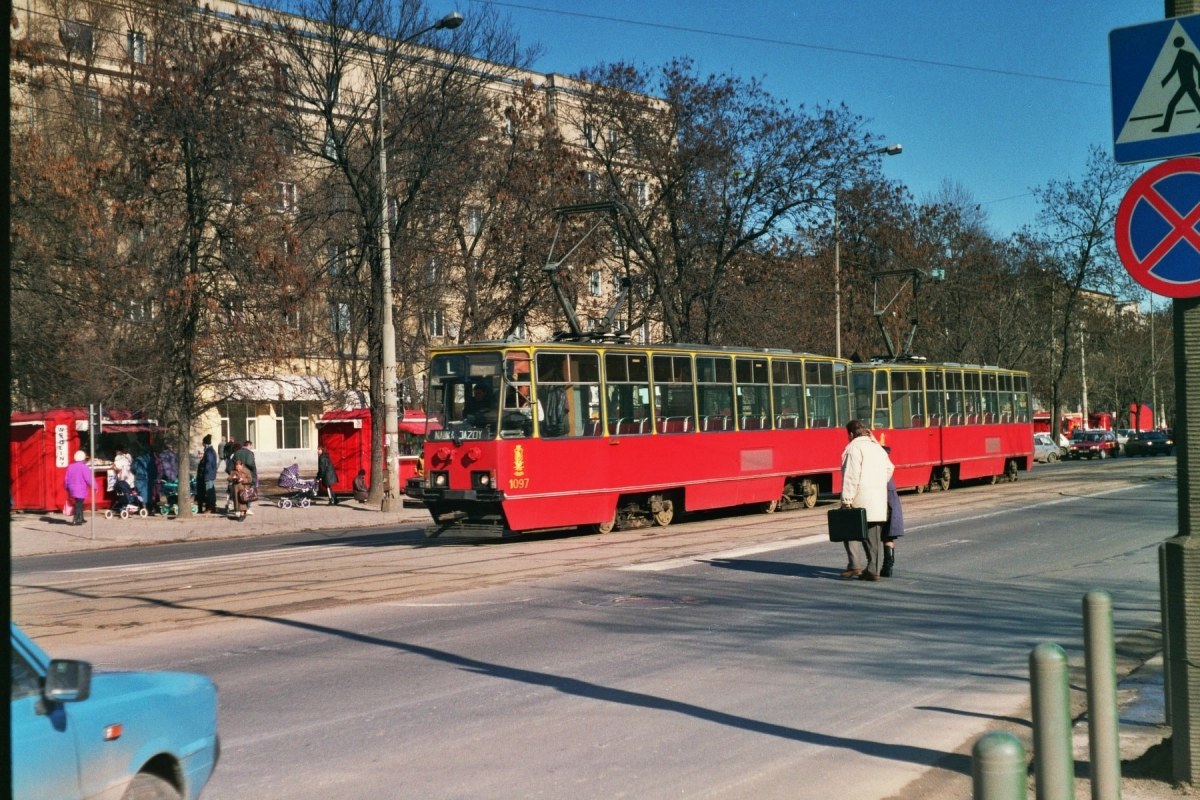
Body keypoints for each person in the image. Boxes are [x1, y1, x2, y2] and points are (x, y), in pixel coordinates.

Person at [839, 420, 894, 582]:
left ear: (850, 434)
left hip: (859, 497)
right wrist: (878, 482)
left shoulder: (854, 448)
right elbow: (890, 468)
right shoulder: (877, 447)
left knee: (846, 528)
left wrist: (846, 499)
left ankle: (854, 563)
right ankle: (873, 570)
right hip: (878, 498)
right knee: (873, 536)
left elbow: (851, 475)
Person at [880, 446, 904, 578]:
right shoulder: (887, 464)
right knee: (887, 535)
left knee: (874, 534)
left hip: (878, 498)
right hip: (890, 498)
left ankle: (874, 565)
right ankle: (888, 566)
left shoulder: (874, 464)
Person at [63, 450, 96, 526]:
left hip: (71, 487)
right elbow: (89, 478)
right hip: (80, 487)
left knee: (79, 502)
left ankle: (81, 518)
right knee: (79, 503)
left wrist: (66, 487)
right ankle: (75, 520)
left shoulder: (70, 466)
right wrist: (95, 486)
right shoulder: (84, 467)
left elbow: (66, 478)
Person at [132, 448, 158, 514]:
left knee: (141, 493)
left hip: (140, 478)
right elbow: (155, 469)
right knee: (149, 493)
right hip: (149, 478)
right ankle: (150, 507)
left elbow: (133, 468)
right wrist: (154, 477)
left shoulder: (138, 459)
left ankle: (143, 507)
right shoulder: (151, 459)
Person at [237, 441, 259, 515]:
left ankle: (238, 509)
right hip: (247, 473)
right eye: (251, 445)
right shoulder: (250, 453)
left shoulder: (237, 452)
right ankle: (248, 508)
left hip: (238, 473)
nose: (251, 447)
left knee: (239, 491)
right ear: (248, 445)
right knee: (248, 491)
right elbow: (251, 464)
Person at [199, 435, 218, 513]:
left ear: (205, 443)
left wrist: (206, 474)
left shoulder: (209, 451)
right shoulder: (210, 451)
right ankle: (211, 506)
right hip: (210, 474)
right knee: (210, 490)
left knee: (209, 491)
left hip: (208, 475)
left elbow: (209, 464)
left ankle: (211, 507)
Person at [229, 456, 251, 521]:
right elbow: (228, 478)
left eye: (239, 467)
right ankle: (243, 513)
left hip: (244, 488)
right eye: (236, 467)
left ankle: (242, 514)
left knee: (243, 501)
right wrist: (233, 478)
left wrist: (243, 479)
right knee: (238, 501)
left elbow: (250, 479)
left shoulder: (246, 471)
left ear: (242, 465)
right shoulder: (233, 471)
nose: (238, 469)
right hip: (236, 489)